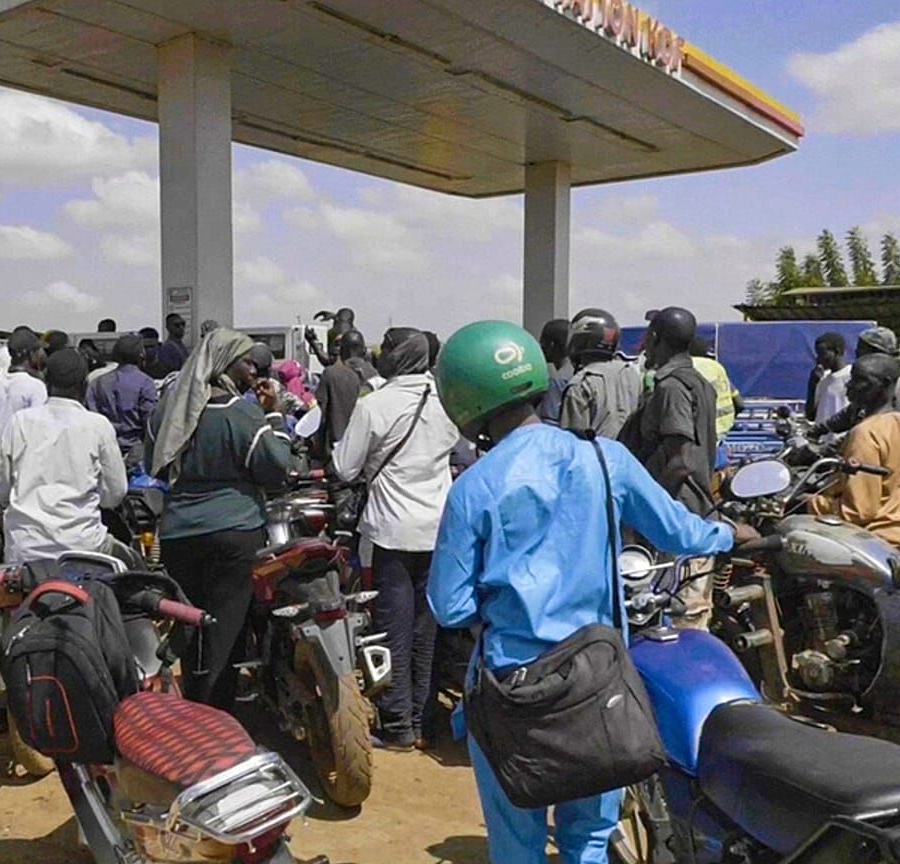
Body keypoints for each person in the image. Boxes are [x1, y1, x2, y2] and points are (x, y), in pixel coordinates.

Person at [427, 320, 749, 864]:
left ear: (463, 400)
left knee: (517, 844)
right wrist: (729, 535)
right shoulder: (604, 458)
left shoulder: (473, 488)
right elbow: (679, 531)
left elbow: (450, 604)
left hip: (511, 688)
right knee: (589, 841)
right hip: (598, 683)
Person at [146, 328, 293, 710]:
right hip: (236, 532)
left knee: (191, 625)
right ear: (225, 364)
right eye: (245, 362)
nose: (252, 370)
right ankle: (218, 717)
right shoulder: (241, 412)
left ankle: (195, 706)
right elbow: (278, 467)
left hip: (179, 533)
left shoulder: (169, 411)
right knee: (225, 631)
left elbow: (153, 465)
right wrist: (274, 416)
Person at [332, 329, 458, 749]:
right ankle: (423, 723)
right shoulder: (447, 403)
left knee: (392, 631)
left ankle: (397, 724)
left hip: (392, 531)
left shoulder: (376, 405)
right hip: (439, 529)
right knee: (427, 630)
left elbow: (345, 468)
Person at [0, 348, 129, 563]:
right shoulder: (98, 426)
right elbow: (115, 494)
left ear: (46, 382)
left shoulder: (20, 422)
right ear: (84, 386)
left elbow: (0, 488)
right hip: (84, 546)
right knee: (132, 565)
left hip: (25, 549)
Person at [807, 355, 900, 550]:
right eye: (852, 379)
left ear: (884, 384)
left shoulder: (864, 433)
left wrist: (810, 504)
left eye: (861, 381)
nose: (850, 386)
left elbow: (858, 511)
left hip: (876, 536)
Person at [621, 307, 718, 517]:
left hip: (677, 511)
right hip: (690, 509)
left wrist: (652, 508)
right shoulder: (700, 384)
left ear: (654, 338)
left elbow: (680, 461)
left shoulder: (672, 387)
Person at [559, 309, 643, 440]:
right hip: (629, 458)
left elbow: (572, 441)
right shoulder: (631, 374)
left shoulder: (581, 384)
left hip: (596, 458)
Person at [87, 333, 158, 466]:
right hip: (136, 452)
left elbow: (92, 419)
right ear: (141, 355)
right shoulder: (146, 383)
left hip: (103, 450)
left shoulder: (97, 383)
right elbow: (149, 423)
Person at [314, 330, 367, 457]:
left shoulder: (331, 374)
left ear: (342, 351)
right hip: (366, 452)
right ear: (364, 351)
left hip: (337, 450)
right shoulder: (378, 377)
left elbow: (320, 415)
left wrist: (317, 449)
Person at [690, 336, 742, 440]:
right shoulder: (717, 367)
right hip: (720, 435)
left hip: (697, 438)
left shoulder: (686, 367)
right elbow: (739, 403)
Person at [535, 319, 573, 424]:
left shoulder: (557, 380)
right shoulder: (579, 374)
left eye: (543, 343)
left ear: (552, 345)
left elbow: (551, 422)